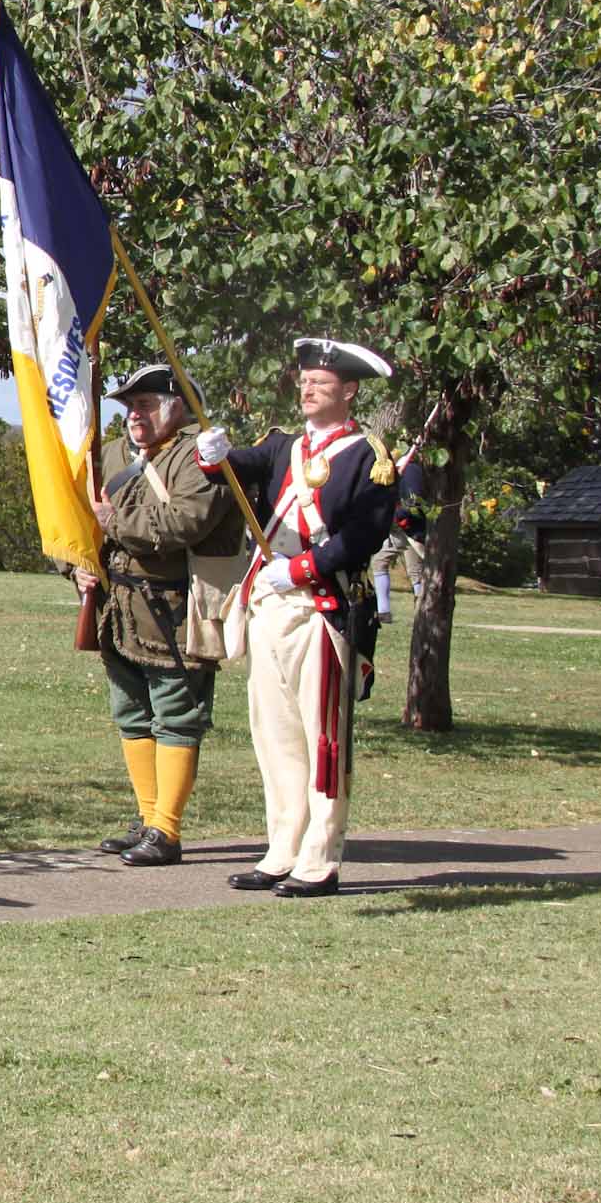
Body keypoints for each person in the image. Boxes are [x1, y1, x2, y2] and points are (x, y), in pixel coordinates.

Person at [196, 338, 399, 898]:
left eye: (321, 382)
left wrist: (303, 568)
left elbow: (363, 536)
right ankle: (282, 847)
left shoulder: (368, 457)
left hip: (322, 609)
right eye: (305, 380)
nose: (308, 388)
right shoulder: (284, 445)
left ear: (349, 391)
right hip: (269, 607)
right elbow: (236, 472)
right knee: (275, 735)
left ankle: (320, 856)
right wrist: (213, 454)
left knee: (323, 738)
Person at [79, 365, 238, 867]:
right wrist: (75, 565)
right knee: (130, 713)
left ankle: (166, 831)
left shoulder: (201, 455)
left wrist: (114, 521)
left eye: (146, 405)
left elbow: (185, 521)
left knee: (176, 715)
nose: (134, 416)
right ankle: (148, 819)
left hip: (173, 607)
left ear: (178, 407)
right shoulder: (112, 455)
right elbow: (79, 518)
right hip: (117, 608)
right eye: (130, 407)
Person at [372, 454, 430, 624]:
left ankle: (422, 611)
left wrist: (397, 514)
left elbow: (413, 501)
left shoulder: (411, 469)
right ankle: (384, 611)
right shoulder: (400, 469)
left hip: (412, 528)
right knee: (379, 561)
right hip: (399, 529)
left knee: (416, 572)